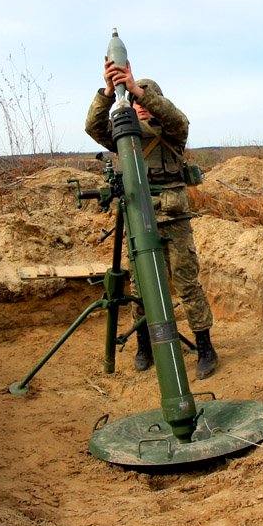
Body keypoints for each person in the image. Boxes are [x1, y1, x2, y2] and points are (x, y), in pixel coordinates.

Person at [85, 58, 218, 379]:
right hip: (138, 218)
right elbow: (93, 127)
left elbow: (177, 118)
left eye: (145, 98)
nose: (140, 105)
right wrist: (107, 93)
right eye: (134, 100)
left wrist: (137, 90)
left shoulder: (172, 133)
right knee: (140, 286)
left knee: (187, 283)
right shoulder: (124, 135)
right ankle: (144, 344)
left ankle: (205, 346)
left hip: (173, 216)